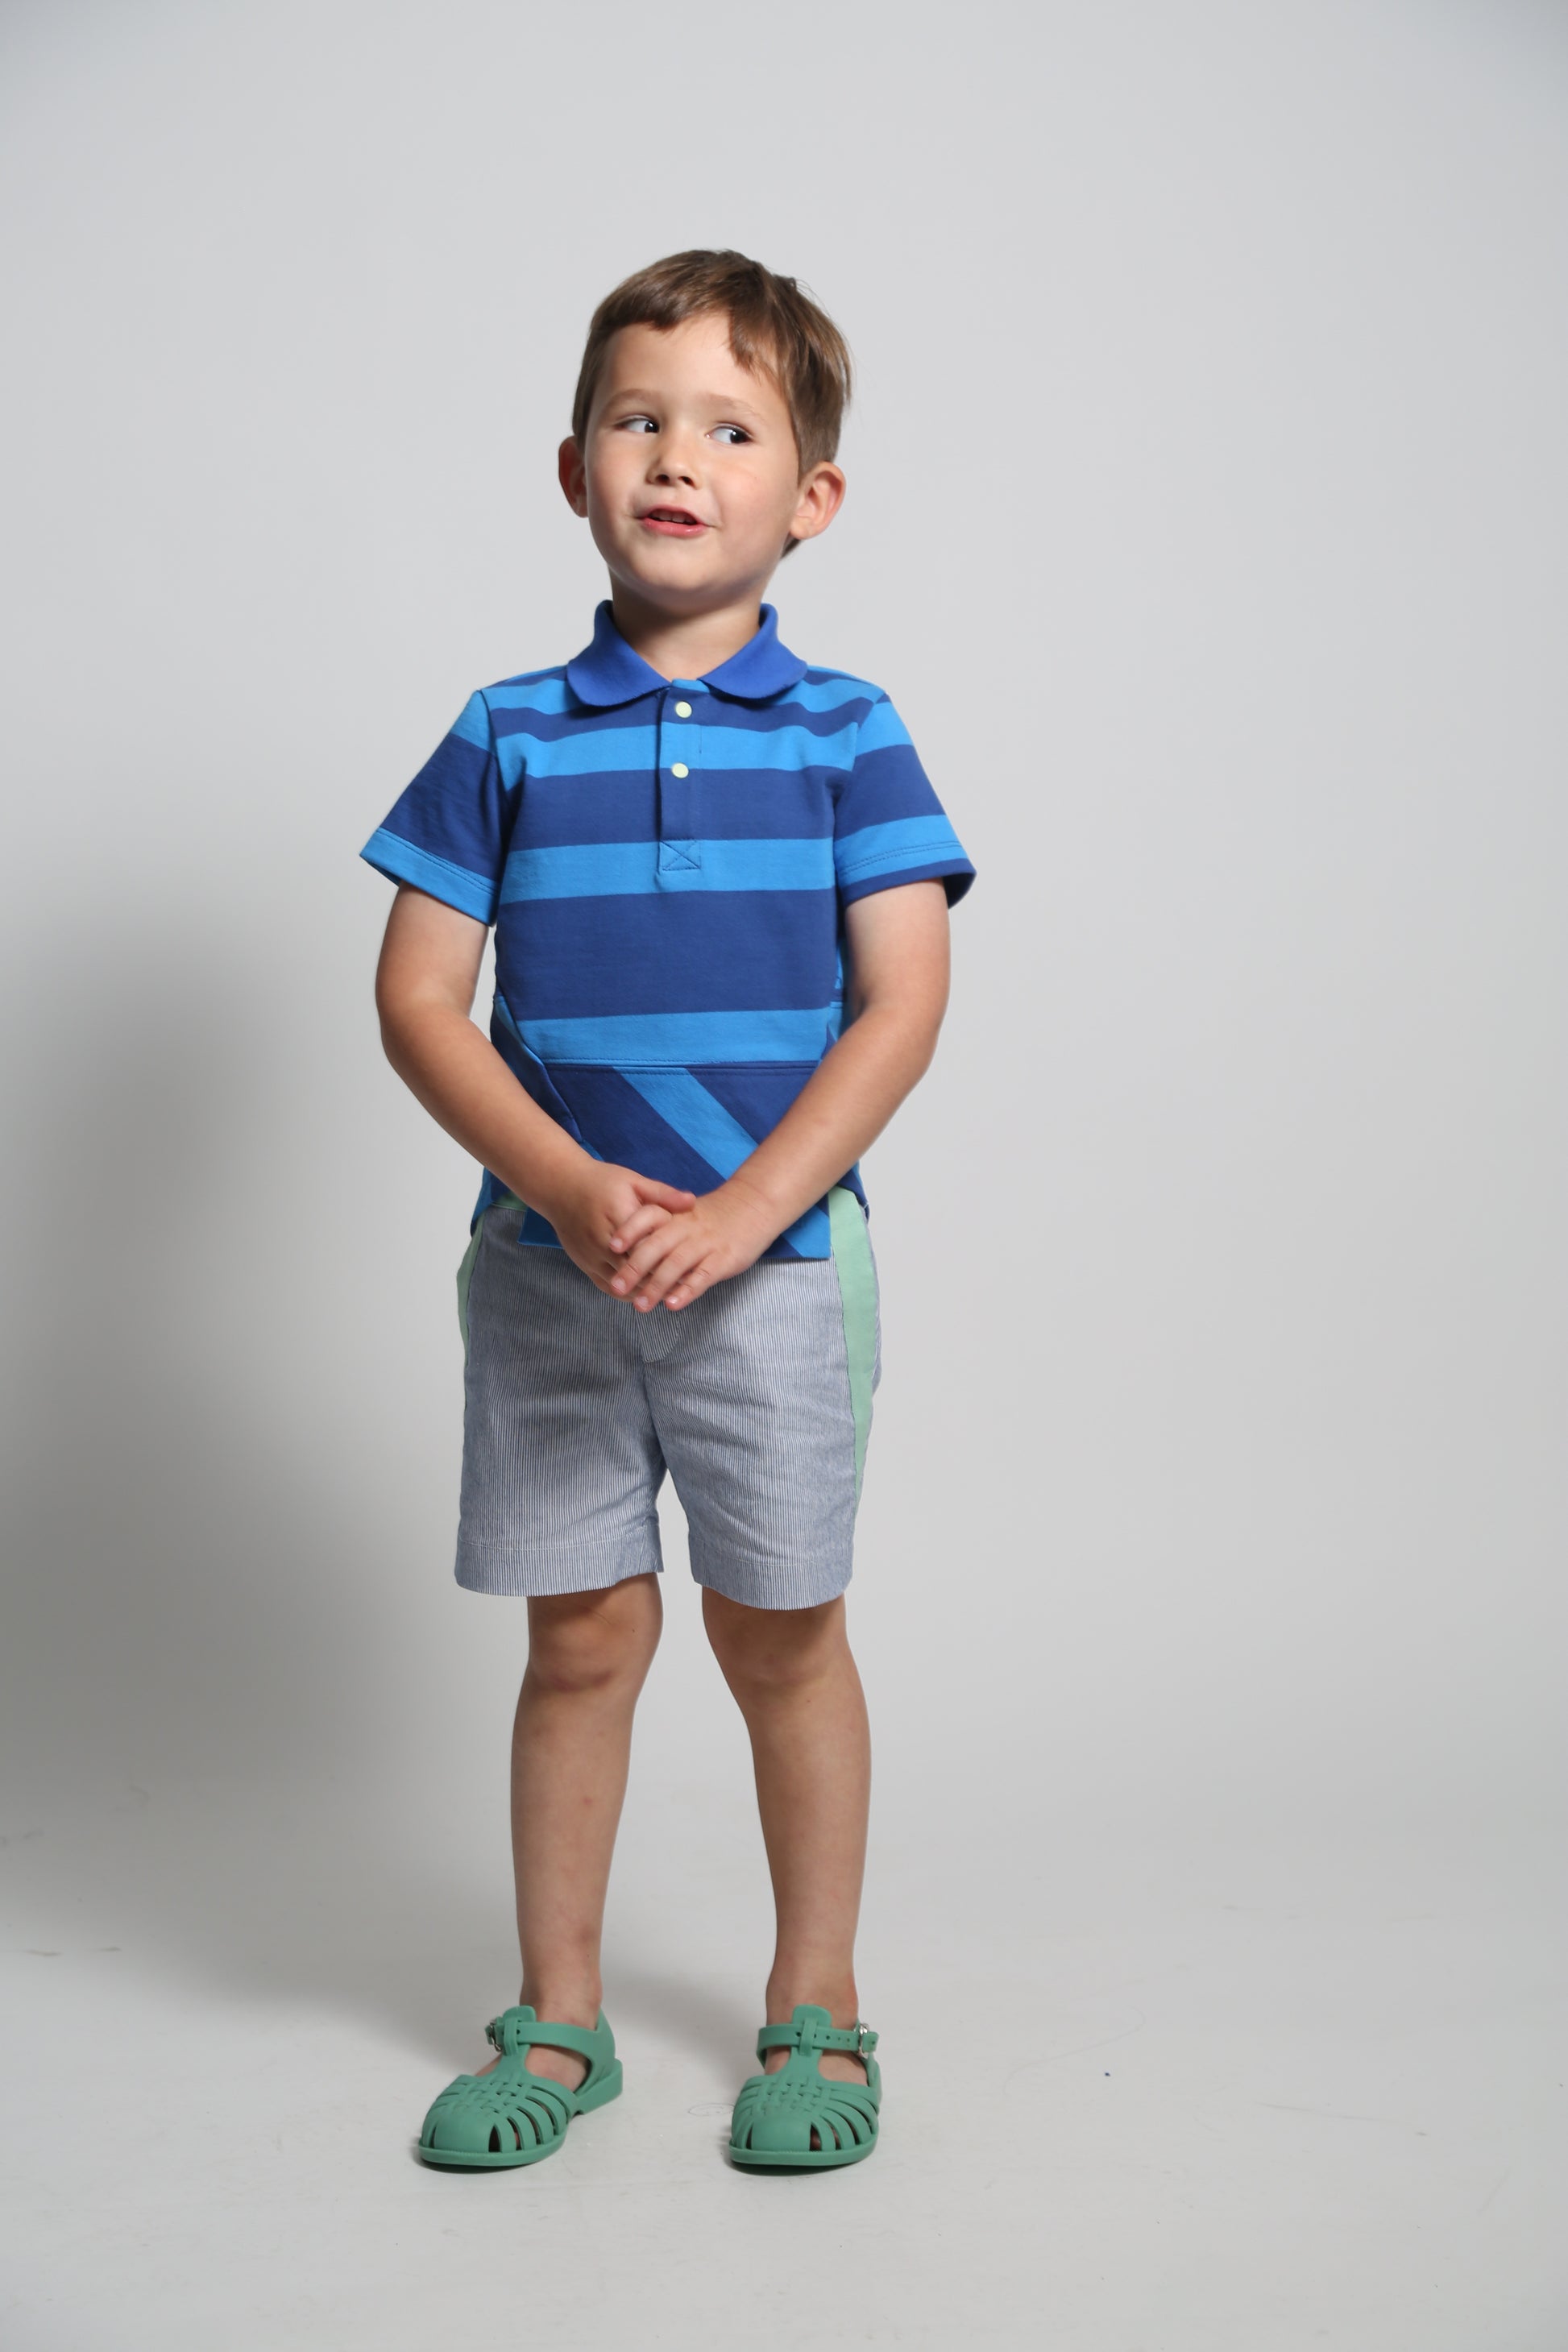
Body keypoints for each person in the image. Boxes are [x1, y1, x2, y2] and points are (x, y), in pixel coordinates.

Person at [363, 249, 976, 2171]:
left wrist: (748, 1206)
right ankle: (558, 2017)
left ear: (812, 494)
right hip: (546, 1275)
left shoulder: (848, 731)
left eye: (729, 427)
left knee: (781, 1635)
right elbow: (416, 996)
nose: (676, 456)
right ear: (574, 468)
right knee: (579, 1637)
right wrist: (563, 1185)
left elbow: (902, 1002)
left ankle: (818, 2006)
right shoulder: (504, 730)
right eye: (638, 418)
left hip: (774, 1274)